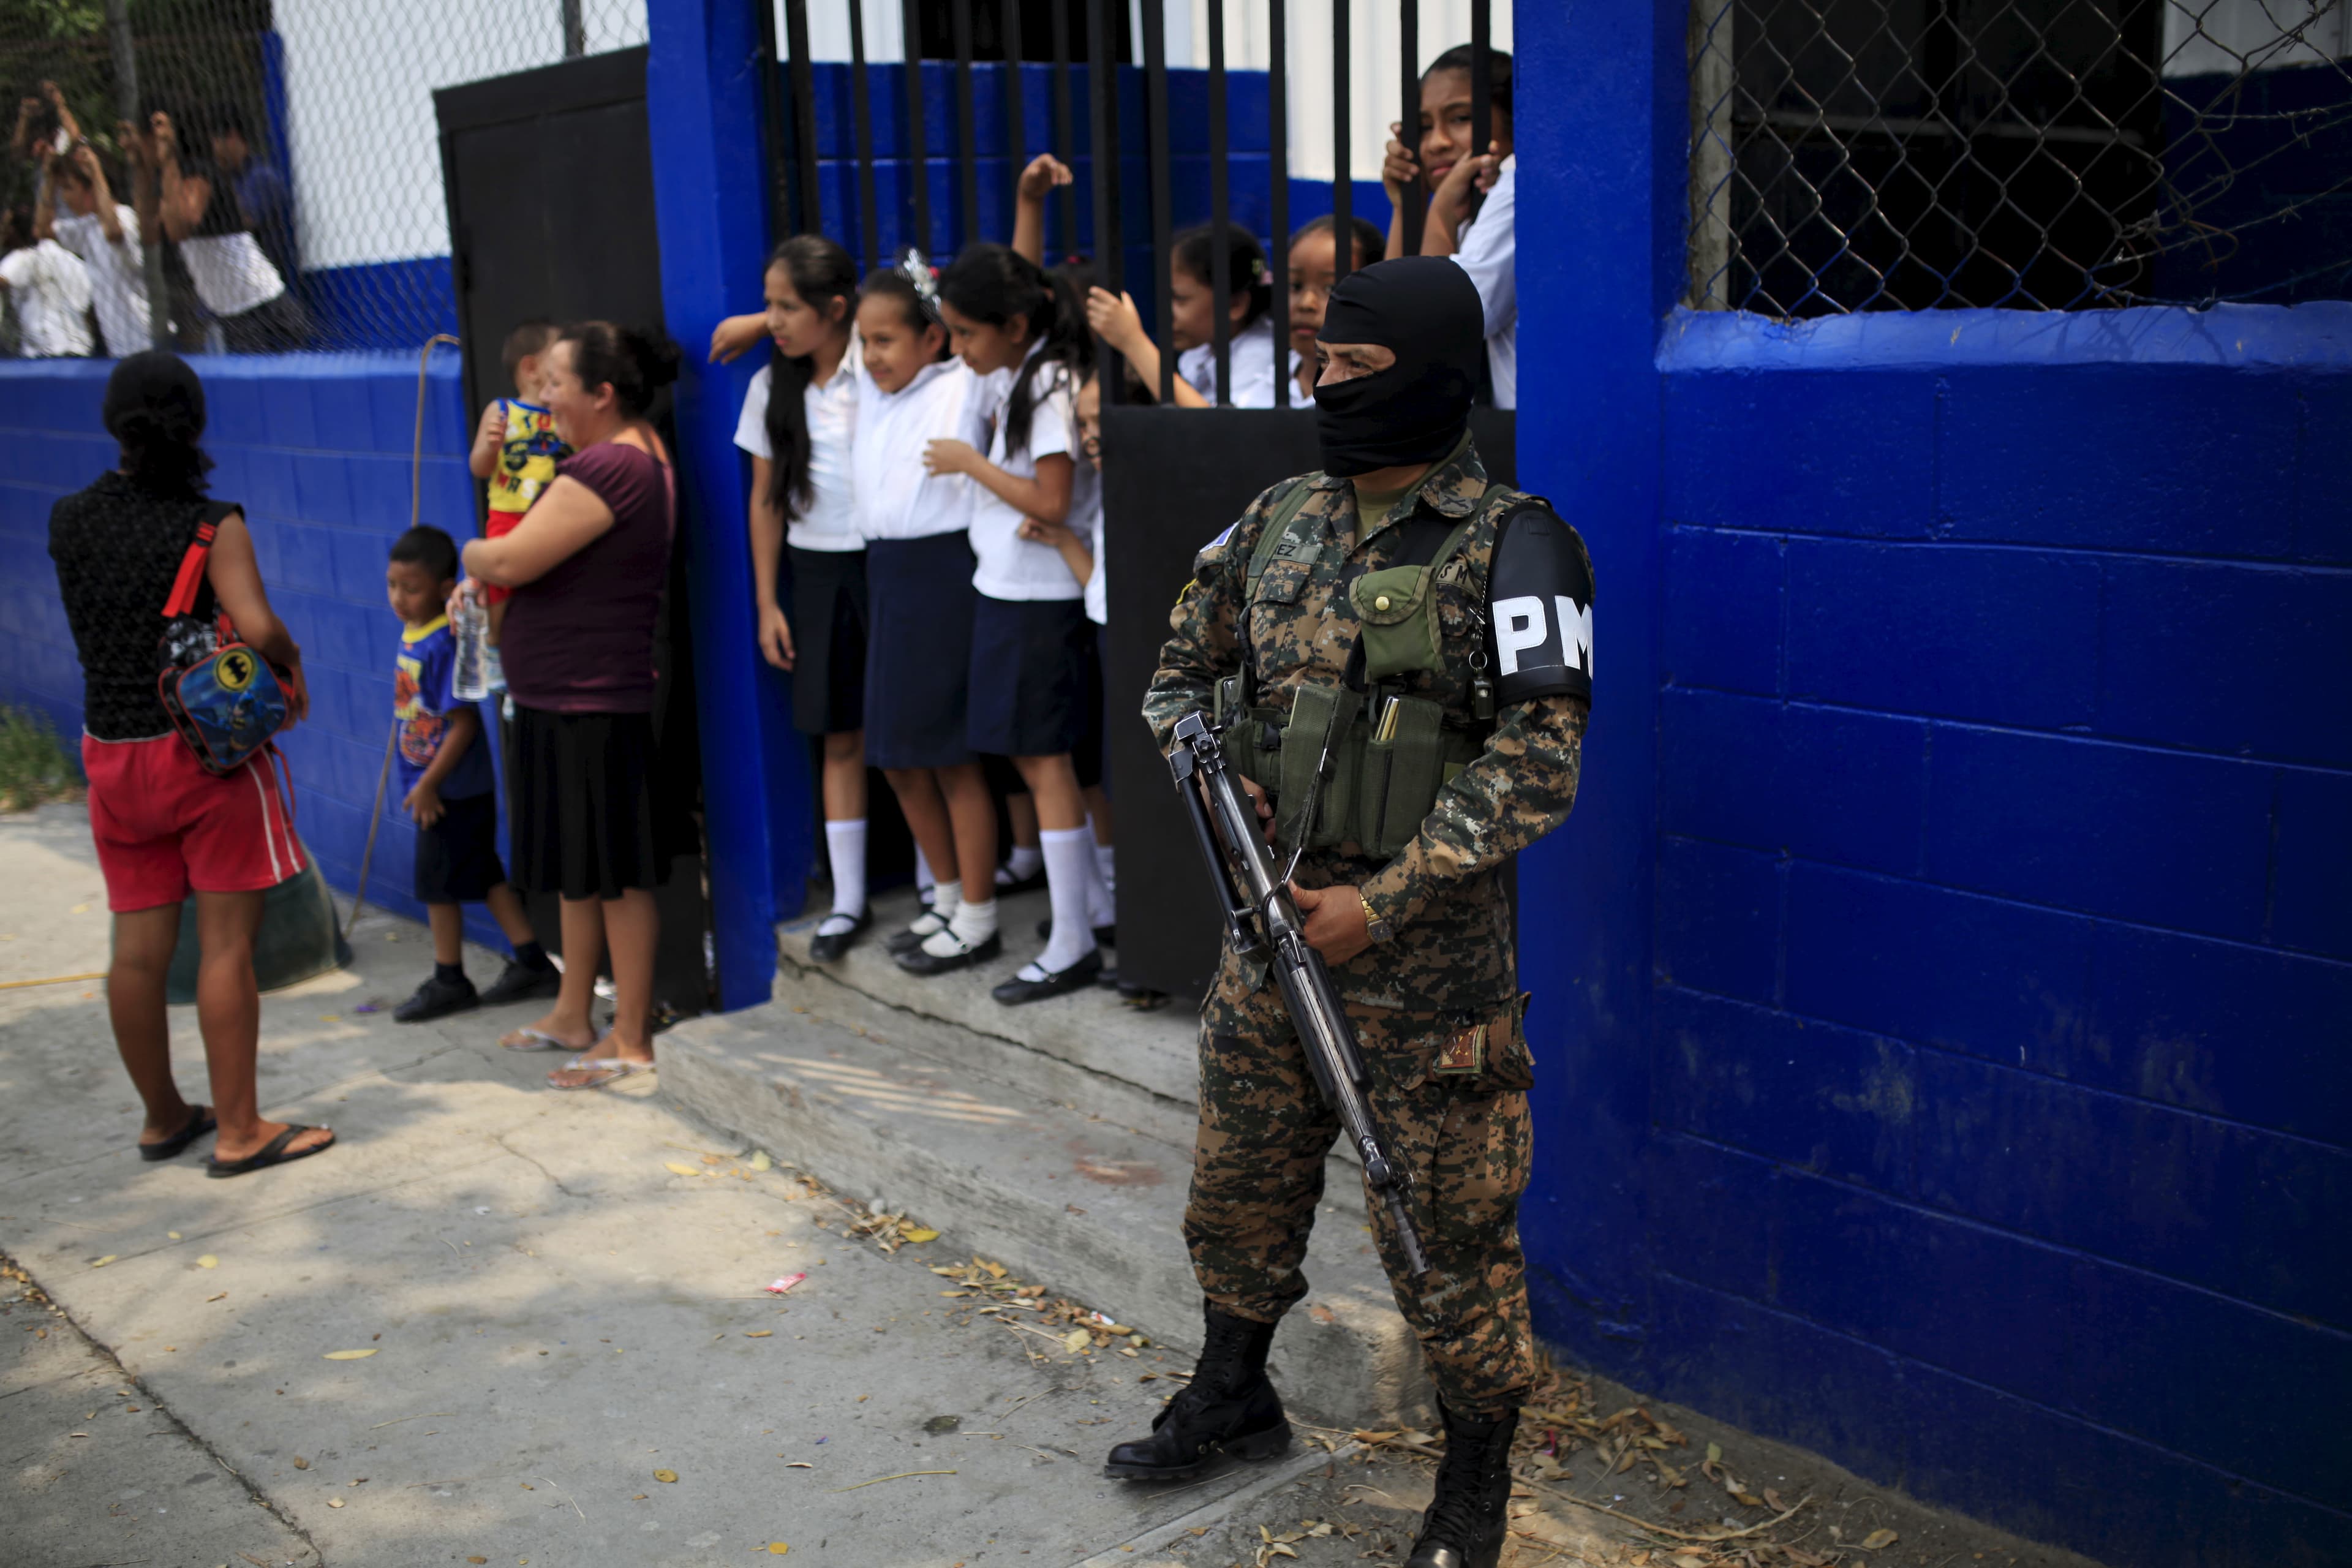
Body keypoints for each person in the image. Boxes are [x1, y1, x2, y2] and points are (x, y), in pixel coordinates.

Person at [1112, 258, 1593, 1568]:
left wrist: (1379, 904)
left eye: (1355, 369)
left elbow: (1537, 761)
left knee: (1447, 1232)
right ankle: (1234, 1388)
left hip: (1425, 976)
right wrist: (1226, 790)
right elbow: (1174, 678)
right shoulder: (1275, 522)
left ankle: (1474, 1482)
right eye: (1318, 361)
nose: (1324, 385)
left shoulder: (1516, 543)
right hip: (1270, 942)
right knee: (1239, 1180)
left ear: (1435, 372)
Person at [47, 350, 334, 1177]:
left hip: (112, 754)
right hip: (201, 758)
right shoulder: (211, 524)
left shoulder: (70, 519)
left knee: (136, 950)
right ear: (197, 424)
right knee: (224, 949)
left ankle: (163, 1117)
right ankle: (241, 1129)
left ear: (114, 423)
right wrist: (293, 657)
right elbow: (258, 625)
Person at [461, 322, 679, 1089]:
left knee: (614, 873)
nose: (544, 397)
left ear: (602, 394)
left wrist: (471, 555)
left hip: (593, 697)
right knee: (578, 870)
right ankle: (572, 1011)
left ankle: (630, 1036)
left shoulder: (615, 467)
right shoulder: (603, 459)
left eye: (557, 383)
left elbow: (515, 556)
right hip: (561, 693)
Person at [924, 243, 1109, 1004]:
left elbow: (1052, 501)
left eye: (966, 333)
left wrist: (970, 463)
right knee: (1039, 762)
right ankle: (1088, 910)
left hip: (1041, 599)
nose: (958, 348)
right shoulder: (1023, 370)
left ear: (1013, 325)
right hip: (1010, 590)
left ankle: (1073, 941)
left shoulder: (1049, 383)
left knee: (1047, 765)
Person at [850, 260, 997, 971]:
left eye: (886, 340)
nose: (872, 356)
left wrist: (1027, 203)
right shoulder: (874, 392)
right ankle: (942, 895)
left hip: (942, 579)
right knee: (899, 758)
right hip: (885, 575)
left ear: (936, 338)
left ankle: (978, 911)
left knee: (948, 757)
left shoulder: (961, 385)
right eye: (863, 341)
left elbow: (1000, 293)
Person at [736, 235, 872, 960]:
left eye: (787, 306)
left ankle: (945, 890)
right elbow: (764, 499)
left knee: (914, 736)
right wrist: (768, 600)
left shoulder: (878, 369)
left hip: (890, 565)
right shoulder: (771, 388)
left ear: (836, 308)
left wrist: (749, 324)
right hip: (817, 572)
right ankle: (849, 900)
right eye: (766, 307)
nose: (774, 320)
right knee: (838, 733)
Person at [382, 525, 560, 1023]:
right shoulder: (414, 633)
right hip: (441, 785)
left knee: (438, 887)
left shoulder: (441, 643)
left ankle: (450, 978)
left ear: (444, 589)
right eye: (392, 585)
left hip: (449, 790)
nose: (399, 597)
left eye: (411, 588)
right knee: (485, 876)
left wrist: (428, 784)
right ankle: (533, 963)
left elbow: (462, 723)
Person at [1383, 46, 1517, 408]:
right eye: (1424, 127)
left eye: (1460, 119)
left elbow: (1435, 328)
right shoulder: (1467, 211)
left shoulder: (1517, 188)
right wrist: (1406, 206)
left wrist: (1438, 212)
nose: (1436, 143)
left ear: (1511, 122)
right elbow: (1388, 325)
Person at [138, 110, 306, 352]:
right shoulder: (172, 180)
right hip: (225, 308)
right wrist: (142, 169)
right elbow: (151, 233)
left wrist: (168, 159)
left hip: (260, 303)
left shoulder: (214, 173)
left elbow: (183, 225)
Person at [1084, 222, 1289, 409]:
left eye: (1180, 299)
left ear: (1235, 305)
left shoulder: (1260, 355)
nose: (1167, 312)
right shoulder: (1201, 353)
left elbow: (1221, 433)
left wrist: (1133, 342)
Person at [466, 320, 570, 655]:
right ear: (531, 368)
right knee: (499, 580)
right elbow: (478, 467)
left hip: (552, 512)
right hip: (508, 512)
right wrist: (489, 448)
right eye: (555, 360)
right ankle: (496, 644)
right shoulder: (502, 411)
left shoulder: (562, 412)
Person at [36, 140, 150, 356]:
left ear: (91, 189)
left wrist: (96, 173)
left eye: (69, 188)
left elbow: (114, 233)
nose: (65, 198)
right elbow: (42, 230)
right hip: (118, 346)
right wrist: (49, 178)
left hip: (145, 341)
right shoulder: (87, 227)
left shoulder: (125, 218)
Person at [1285, 214, 1383, 406]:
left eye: (1331, 288)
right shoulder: (1258, 385)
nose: (1306, 304)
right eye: (1295, 286)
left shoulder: (1370, 397)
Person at [202, 104, 297, 287]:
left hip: (262, 285)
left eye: (216, 141)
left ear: (233, 137)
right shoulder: (227, 178)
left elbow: (241, 222)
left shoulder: (261, 178)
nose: (214, 150)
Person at [0, 203, 92, 358]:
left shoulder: (25, 257)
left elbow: (2, 280)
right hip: (79, 347)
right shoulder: (64, 254)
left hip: (46, 350)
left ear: (15, 230)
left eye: (5, 226)